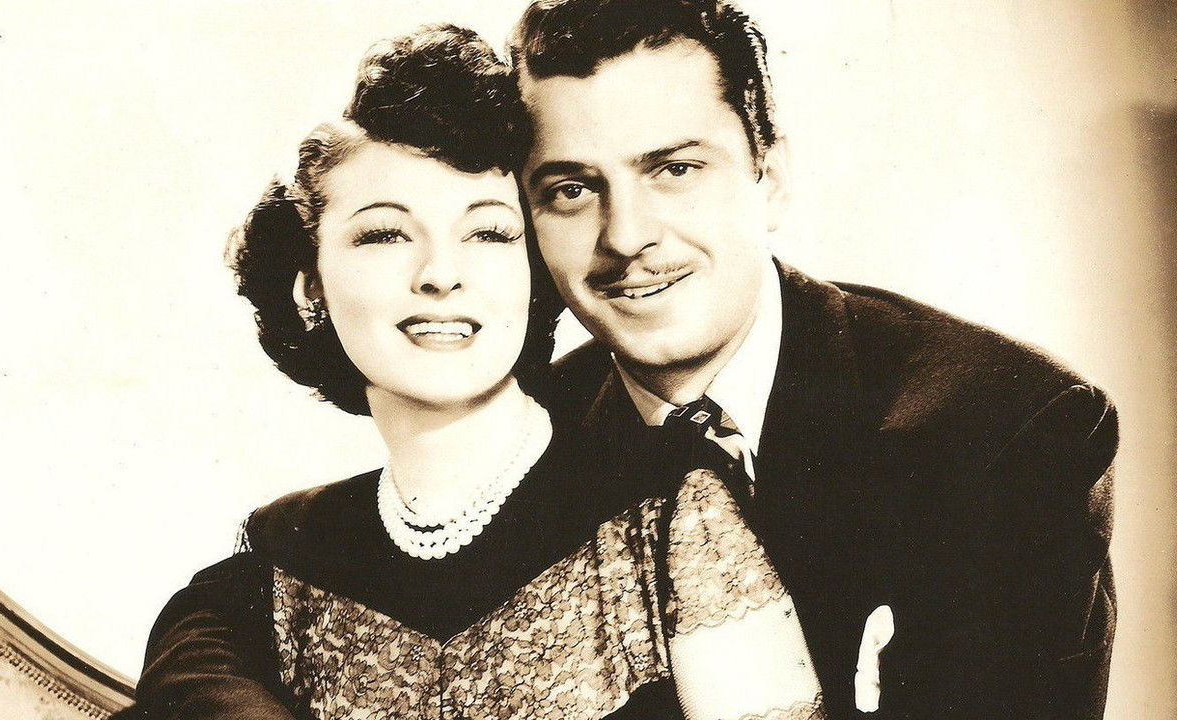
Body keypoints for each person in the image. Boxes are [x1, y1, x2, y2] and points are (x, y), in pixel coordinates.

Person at [119, 22, 826, 720]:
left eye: (487, 232)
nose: (440, 274)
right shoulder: (278, 557)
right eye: (384, 234)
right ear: (311, 288)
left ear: (532, 270)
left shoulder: (676, 511)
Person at [515, 0, 1117, 718]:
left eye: (675, 169)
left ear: (770, 179)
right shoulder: (520, 445)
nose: (625, 236)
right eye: (572, 190)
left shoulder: (1005, 430)